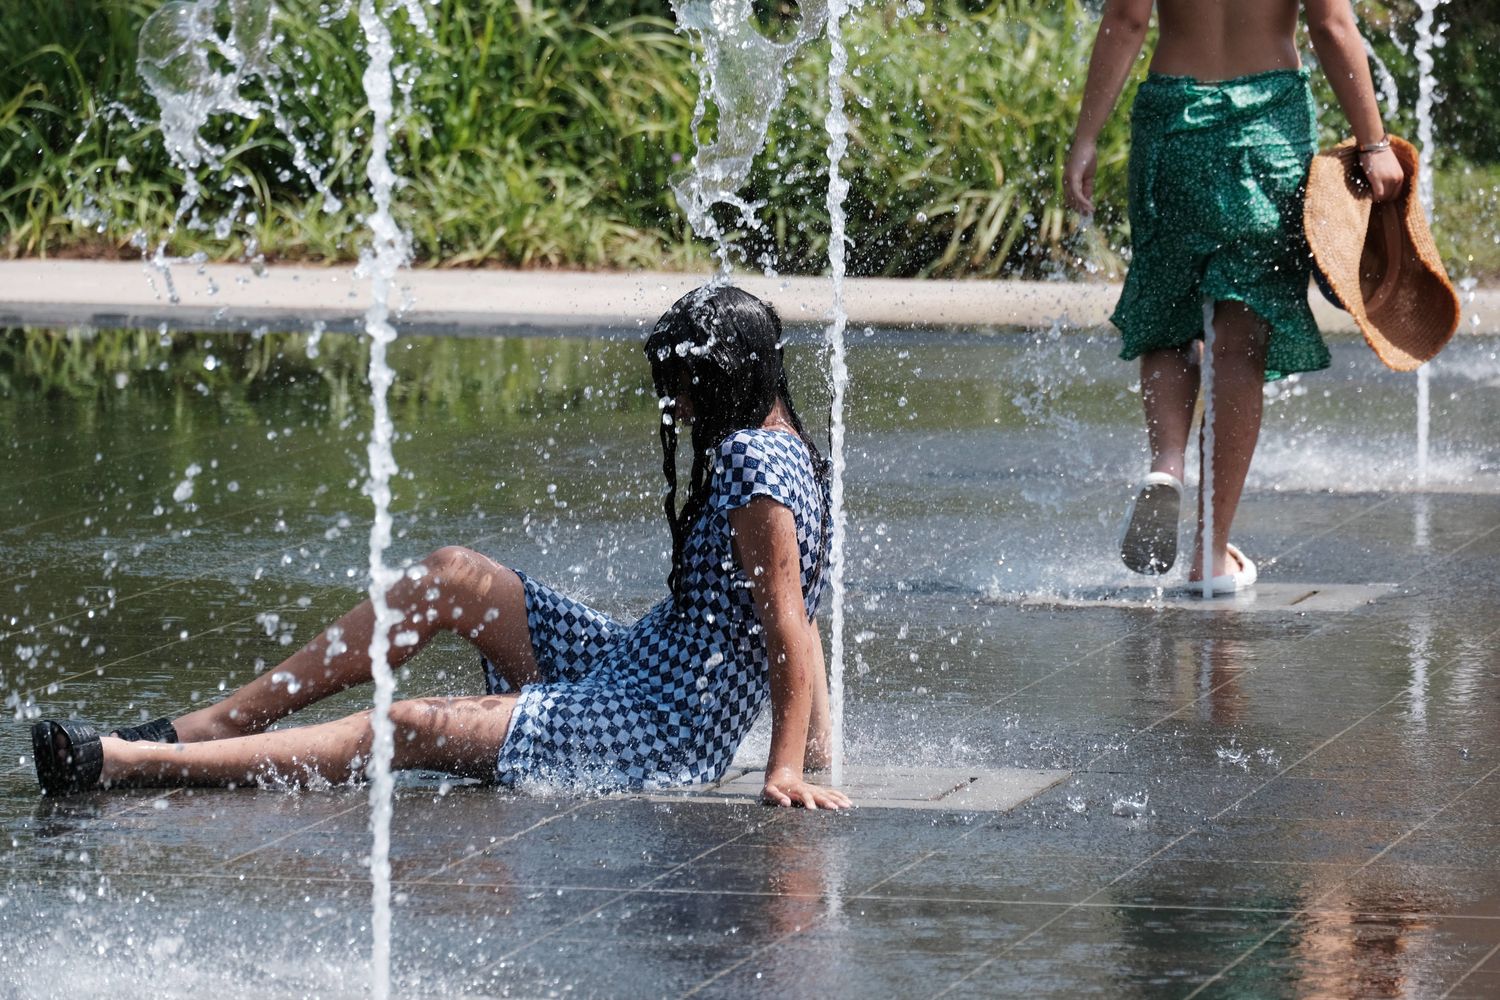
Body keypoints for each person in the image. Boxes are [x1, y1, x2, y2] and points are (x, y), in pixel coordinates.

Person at [31, 285, 851, 810]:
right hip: (641, 665)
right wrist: (817, 753)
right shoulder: (780, 444)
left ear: (721, 378)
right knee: (455, 576)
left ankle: (132, 763)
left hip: (659, 725)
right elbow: (802, 617)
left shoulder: (752, 462)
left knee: (412, 723)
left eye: (680, 386)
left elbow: (787, 625)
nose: (671, 406)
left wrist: (785, 773)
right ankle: (213, 723)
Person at [1064, 0, 1405, 591]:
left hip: (1173, 121)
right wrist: (1373, 143)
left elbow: (1126, 19)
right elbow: (1330, 25)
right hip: (1268, 128)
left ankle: (1167, 466)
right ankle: (1210, 553)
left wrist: (1085, 139)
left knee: (1169, 314)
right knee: (1241, 339)